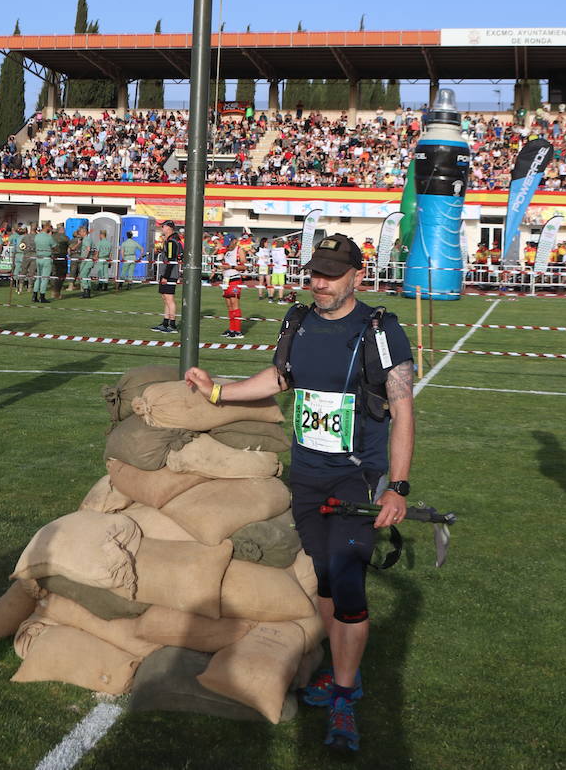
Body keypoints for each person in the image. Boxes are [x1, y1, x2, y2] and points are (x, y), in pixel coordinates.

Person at [185, 233, 414, 753]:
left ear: (359, 274)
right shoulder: (298, 321)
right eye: (316, 273)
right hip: (308, 475)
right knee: (327, 578)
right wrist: (218, 391)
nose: (321, 283)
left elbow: (403, 409)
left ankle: (345, 694)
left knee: (349, 575)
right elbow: (279, 377)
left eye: (333, 274)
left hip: (357, 475)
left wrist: (397, 487)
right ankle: (338, 674)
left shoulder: (381, 329)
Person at [151, 219, 182, 336]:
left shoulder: (171, 242)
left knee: (169, 299)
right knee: (165, 298)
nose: (162, 229)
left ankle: (172, 325)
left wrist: (165, 276)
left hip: (169, 274)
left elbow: (171, 260)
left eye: (163, 226)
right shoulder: (170, 240)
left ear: (168, 228)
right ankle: (165, 323)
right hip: (166, 273)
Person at [268, 236, 288, 303]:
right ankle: (280, 299)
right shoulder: (284, 250)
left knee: (273, 285)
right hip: (282, 270)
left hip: (275, 269)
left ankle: (270, 298)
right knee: (281, 286)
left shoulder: (273, 250)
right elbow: (291, 253)